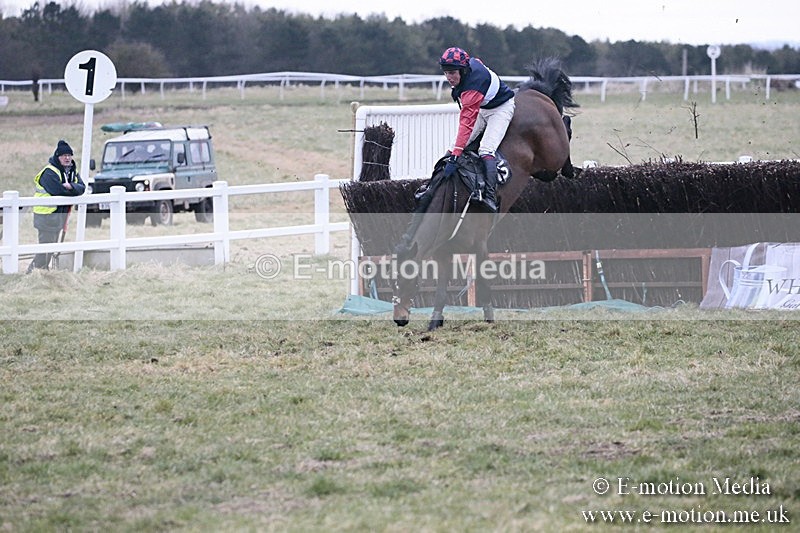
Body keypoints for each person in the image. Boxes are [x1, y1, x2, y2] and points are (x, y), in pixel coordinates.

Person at [440, 46, 516, 213]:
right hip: (483, 106)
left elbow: (466, 125)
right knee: (454, 147)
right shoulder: (470, 66)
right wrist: (453, 153)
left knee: (486, 150)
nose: (448, 77)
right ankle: (435, 183)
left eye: (452, 73)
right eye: (446, 72)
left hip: (501, 108)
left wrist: (455, 157)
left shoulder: (472, 89)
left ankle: (490, 197)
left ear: (463, 70)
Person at [27, 140, 86, 272]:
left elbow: (82, 188)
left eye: (69, 155)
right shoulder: (49, 172)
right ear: (57, 157)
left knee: (51, 246)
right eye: (64, 155)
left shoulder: (72, 172)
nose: (67, 158)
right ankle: (34, 272)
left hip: (58, 216)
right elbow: (58, 191)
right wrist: (72, 191)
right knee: (45, 248)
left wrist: (71, 186)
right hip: (45, 215)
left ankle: (39, 272)